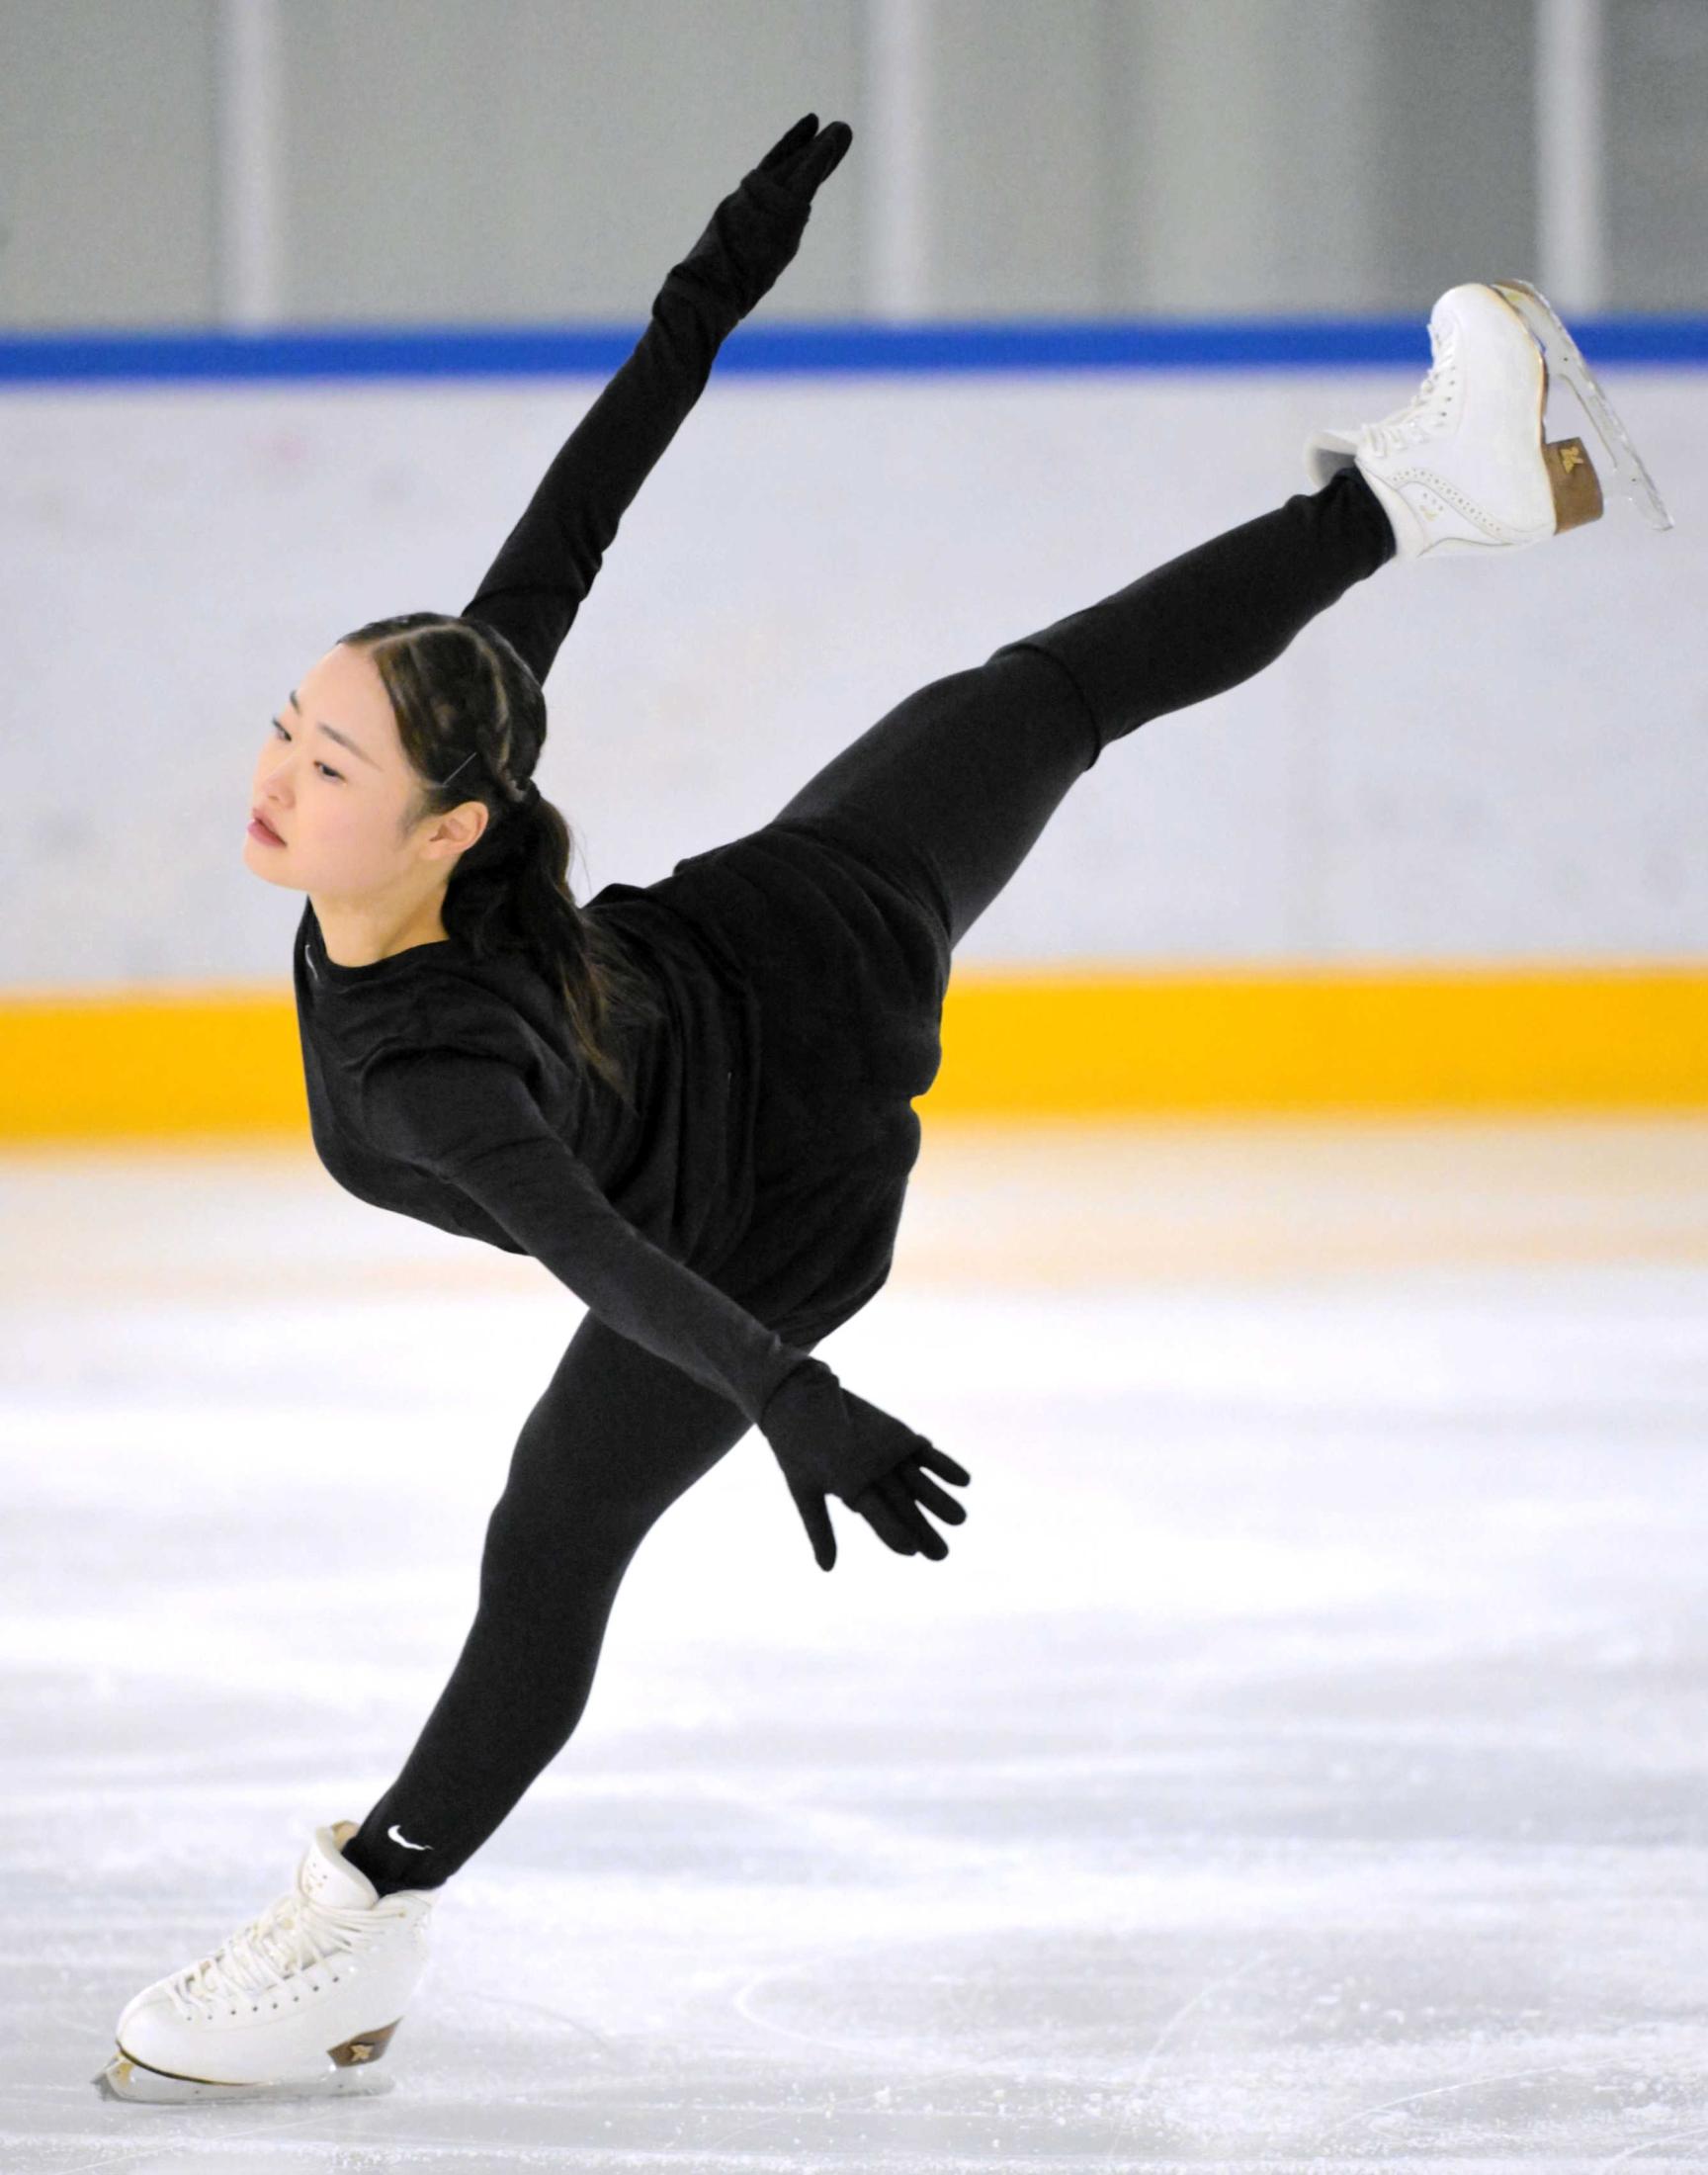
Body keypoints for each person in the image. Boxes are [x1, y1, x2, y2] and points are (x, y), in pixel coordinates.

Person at [98, 115, 1666, 2104]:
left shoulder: (441, 1050)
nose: (276, 775)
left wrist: (784, 1392)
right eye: (283, 730)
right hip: (747, 1066)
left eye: (325, 758)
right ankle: (1459, 478)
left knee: (1045, 696)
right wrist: (704, 301)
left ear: (449, 822)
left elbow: (598, 1241)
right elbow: (576, 536)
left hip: (770, 1103)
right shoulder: (442, 923)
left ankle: (1458, 471)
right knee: (563, 1516)